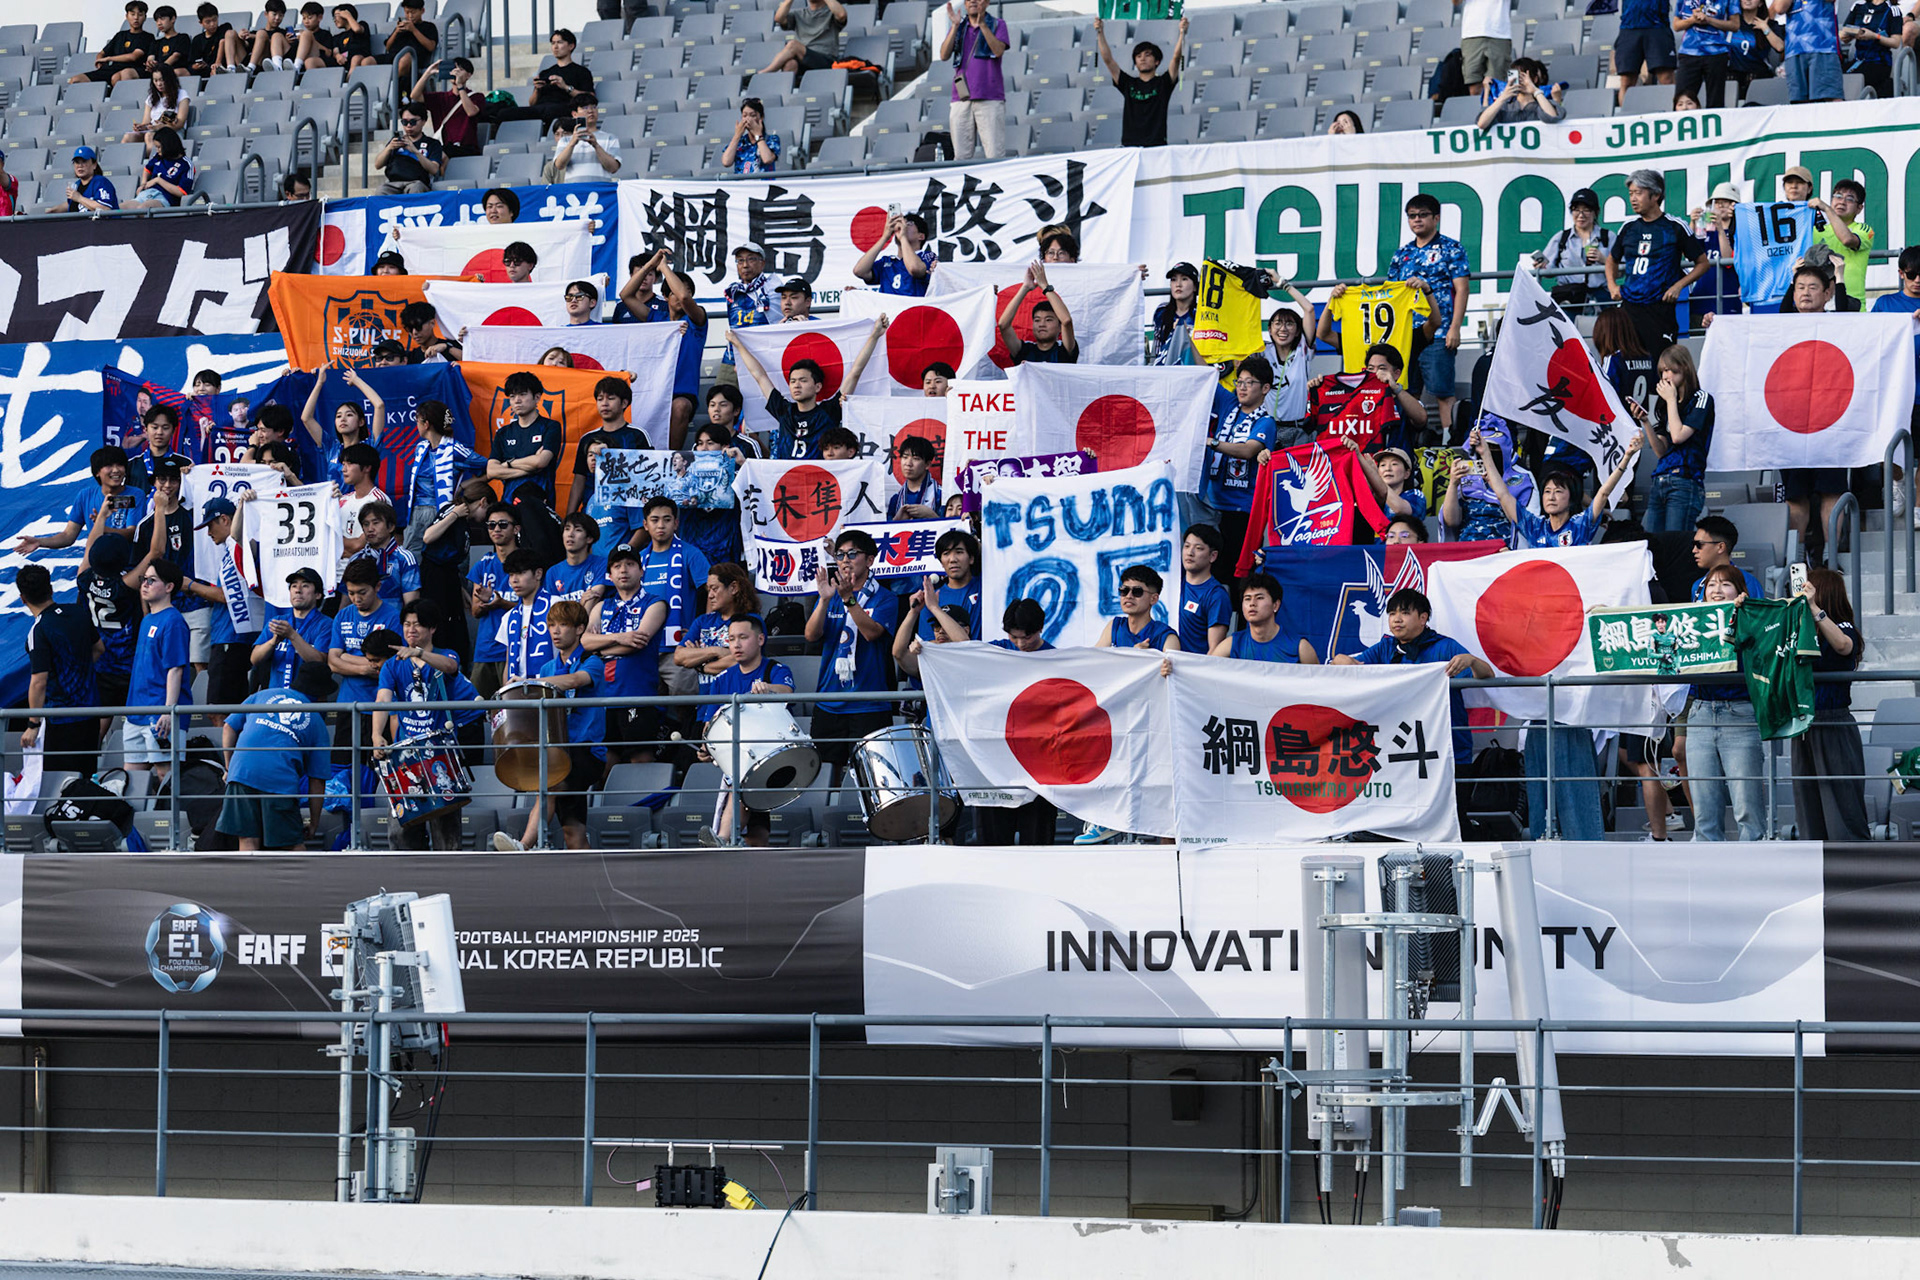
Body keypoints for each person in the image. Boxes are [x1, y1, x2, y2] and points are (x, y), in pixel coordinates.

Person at [1333, 587, 1492, 780]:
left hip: (1449, 750)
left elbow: (1487, 675)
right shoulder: (1386, 647)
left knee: (1456, 809)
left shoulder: (1445, 647)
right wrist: (1344, 661)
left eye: (1405, 613)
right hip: (1399, 753)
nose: (1397, 619)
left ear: (1423, 618)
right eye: (1392, 613)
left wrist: (1471, 660)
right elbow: (1346, 664)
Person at [492, 599, 606, 851]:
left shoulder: (592, 661)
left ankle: (524, 844)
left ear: (579, 629)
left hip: (586, 752)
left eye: (563, 625)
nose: (555, 631)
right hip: (557, 752)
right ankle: (592, 881)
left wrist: (532, 682)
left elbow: (576, 679)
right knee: (573, 833)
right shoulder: (547, 667)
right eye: (551, 625)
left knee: (549, 785)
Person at [371, 600, 483, 850]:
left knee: (447, 833)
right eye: (407, 624)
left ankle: (448, 881)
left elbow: (451, 667)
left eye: (418, 625)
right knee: (400, 832)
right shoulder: (392, 665)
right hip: (407, 755)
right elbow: (382, 699)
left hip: (441, 752)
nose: (411, 630)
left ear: (432, 629)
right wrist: (377, 735)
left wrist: (419, 653)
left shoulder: (446, 654)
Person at [805, 527, 900, 778]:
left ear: (870, 560)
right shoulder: (831, 594)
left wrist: (849, 600)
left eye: (852, 554)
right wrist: (825, 600)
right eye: (840, 555)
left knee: (872, 776)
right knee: (824, 775)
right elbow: (811, 635)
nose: (845, 560)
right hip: (829, 701)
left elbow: (871, 633)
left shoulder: (886, 598)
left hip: (869, 704)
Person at [693, 614, 795, 846]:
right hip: (741, 761)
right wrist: (705, 747)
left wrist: (768, 689)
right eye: (730, 639)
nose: (736, 644)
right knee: (760, 835)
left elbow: (788, 692)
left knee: (740, 781)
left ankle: (722, 838)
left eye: (743, 637)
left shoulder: (775, 670)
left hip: (775, 758)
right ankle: (728, 847)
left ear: (760, 639)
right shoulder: (721, 679)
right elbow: (709, 725)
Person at [1775, 260, 1853, 552]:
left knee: (1832, 489)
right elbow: (1782, 314)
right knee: (1796, 495)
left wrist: (1841, 275)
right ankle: (1796, 560)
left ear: (1827, 293)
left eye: (1813, 288)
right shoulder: (1781, 326)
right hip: (1791, 422)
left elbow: (1848, 318)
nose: (1805, 293)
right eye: (1800, 287)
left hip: (1831, 420)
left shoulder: (1838, 323)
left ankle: (1832, 557)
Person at [1684, 563, 1764, 840]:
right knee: (1704, 811)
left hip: (1740, 714)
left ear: (1740, 591)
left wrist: (1745, 613)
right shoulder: (1690, 623)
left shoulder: (1751, 618)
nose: (1717, 590)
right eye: (1711, 584)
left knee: (1747, 809)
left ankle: (1752, 874)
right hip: (1700, 712)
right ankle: (1708, 875)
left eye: (1725, 584)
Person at [1789, 567, 1869, 840]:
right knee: (1807, 802)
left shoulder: (1843, 627)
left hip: (1833, 721)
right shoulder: (1803, 629)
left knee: (1843, 803)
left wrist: (1814, 609)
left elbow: (1845, 646)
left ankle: (1854, 867)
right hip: (1803, 722)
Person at [730, 318, 883, 459]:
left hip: (819, 481)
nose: (796, 385)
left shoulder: (829, 411)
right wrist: (737, 343)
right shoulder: (783, 410)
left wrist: (874, 336)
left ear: (818, 386)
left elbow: (855, 372)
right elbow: (759, 375)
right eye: (792, 381)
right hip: (787, 479)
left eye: (803, 380)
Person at [1388, 193, 1472, 436]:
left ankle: (1449, 442)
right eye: (1412, 216)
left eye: (1423, 215)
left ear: (1436, 218)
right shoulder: (1401, 253)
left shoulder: (1452, 248)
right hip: (1406, 334)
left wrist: (1455, 327)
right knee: (1407, 390)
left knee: (1443, 391)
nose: (1417, 220)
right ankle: (1408, 440)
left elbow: (1462, 289)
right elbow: (1391, 294)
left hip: (1439, 330)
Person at [1606, 168, 1711, 358]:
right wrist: (1612, 286)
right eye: (1630, 194)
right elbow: (1611, 260)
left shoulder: (1675, 226)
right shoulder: (1628, 227)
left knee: (1662, 363)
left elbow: (1703, 263)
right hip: (1630, 308)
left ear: (1656, 195)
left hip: (1660, 308)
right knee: (1629, 363)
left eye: (1638, 193)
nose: (1633, 199)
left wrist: (1678, 286)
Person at [1480, 433, 1643, 548]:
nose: (1551, 497)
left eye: (1558, 491)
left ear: (1571, 498)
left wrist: (1627, 456)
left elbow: (1603, 493)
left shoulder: (1581, 524)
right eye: (1547, 491)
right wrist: (1485, 453)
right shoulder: (1534, 526)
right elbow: (1503, 495)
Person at [19, 564, 104, 782]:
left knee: (61, 783)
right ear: (51, 589)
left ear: (23, 599)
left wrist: (32, 725)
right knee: (86, 779)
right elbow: (99, 649)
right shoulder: (78, 613)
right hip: (90, 712)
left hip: (61, 719)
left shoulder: (38, 630)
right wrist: (77, 669)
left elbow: (39, 681)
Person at [218, 689, 330, 850]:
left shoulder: (263, 694)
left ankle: (249, 876)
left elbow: (228, 726)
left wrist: (229, 769)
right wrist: (314, 823)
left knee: (247, 839)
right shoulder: (317, 721)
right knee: (292, 845)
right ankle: (302, 876)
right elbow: (317, 780)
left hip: (241, 771)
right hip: (279, 779)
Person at [586, 545, 667, 763]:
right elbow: (584, 642)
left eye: (630, 564)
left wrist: (599, 646)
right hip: (603, 697)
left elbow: (638, 643)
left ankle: (644, 799)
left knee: (640, 760)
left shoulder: (655, 603)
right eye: (617, 565)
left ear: (642, 571)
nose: (623, 570)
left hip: (637, 695)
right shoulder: (601, 606)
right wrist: (619, 637)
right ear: (609, 575)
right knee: (606, 762)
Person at [126, 558, 194, 786]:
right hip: (136, 711)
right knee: (133, 779)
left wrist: (168, 710)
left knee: (167, 776)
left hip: (160, 713)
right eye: (144, 579)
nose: (145, 584)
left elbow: (175, 669)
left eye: (152, 580)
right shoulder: (148, 620)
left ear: (169, 587)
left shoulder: (174, 621)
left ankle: (171, 821)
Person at [1203, 357, 1280, 556]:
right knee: (1213, 567)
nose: (1242, 387)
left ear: (1265, 388)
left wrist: (1212, 442)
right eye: (1240, 382)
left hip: (1241, 509)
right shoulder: (1229, 404)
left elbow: (1247, 450)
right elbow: (1204, 373)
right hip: (1211, 504)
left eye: (1250, 382)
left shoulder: (1266, 422)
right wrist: (1185, 337)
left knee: (1236, 569)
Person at [326, 557, 401, 762]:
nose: (356, 598)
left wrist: (346, 657)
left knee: (379, 768)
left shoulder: (393, 617)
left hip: (381, 706)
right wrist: (364, 668)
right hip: (348, 705)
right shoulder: (342, 616)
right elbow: (332, 662)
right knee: (342, 768)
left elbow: (389, 665)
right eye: (351, 593)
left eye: (362, 592)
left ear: (377, 586)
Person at [637, 496, 711, 695]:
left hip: (678, 650)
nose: (661, 525)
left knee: (685, 708)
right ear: (645, 524)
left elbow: (712, 592)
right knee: (647, 710)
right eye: (655, 520)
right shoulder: (639, 559)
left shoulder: (691, 554)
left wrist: (700, 630)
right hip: (645, 650)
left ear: (676, 523)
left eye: (667, 519)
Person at [19, 446, 145, 555]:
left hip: (127, 567)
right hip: (96, 567)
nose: (116, 470)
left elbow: (132, 533)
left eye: (120, 465)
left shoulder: (135, 495)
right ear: (97, 472)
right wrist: (39, 542)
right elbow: (68, 536)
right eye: (109, 466)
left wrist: (101, 525)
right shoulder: (85, 496)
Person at [679, 563, 761, 716]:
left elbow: (739, 662)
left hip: (739, 709)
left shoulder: (751, 622)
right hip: (704, 708)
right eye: (708, 589)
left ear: (734, 588)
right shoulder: (702, 621)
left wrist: (700, 665)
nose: (710, 595)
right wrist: (715, 651)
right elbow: (679, 657)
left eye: (715, 588)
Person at [1094, 15, 1187, 148]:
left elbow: (1176, 58)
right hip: (1130, 147)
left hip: (1156, 146)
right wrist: (1100, 32)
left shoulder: (1164, 83)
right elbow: (1108, 60)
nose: (1142, 59)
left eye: (1147, 55)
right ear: (1135, 63)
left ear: (1157, 61)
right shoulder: (1128, 83)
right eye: (1138, 56)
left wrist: (1182, 33)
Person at [940, 0, 1011, 161]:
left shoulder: (998, 24)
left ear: (987, 2)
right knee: (961, 157)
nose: (972, 1)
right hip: (961, 99)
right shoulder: (960, 26)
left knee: (994, 155)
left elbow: (998, 51)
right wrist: (954, 26)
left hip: (990, 98)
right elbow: (944, 55)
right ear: (965, 4)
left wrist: (983, 26)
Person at [254, 565, 335, 700]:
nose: (298, 590)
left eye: (305, 586)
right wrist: (274, 641)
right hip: (275, 698)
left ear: (318, 594)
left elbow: (319, 661)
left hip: (309, 700)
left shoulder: (326, 624)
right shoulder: (277, 621)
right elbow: (254, 659)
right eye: (293, 586)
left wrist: (292, 635)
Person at [299, 364, 385, 490]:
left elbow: (379, 405)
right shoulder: (331, 447)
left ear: (361, 422)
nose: (342, 419)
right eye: (338, 416)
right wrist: (319, 383)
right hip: (335, 506)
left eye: (349, 415)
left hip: (362, 506)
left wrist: (357, 381)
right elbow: (306, 418)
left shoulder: (369, 446)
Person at [1441, 420, 1527, 545]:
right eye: (1485, 446)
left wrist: (1487, 456)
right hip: (1467, 549)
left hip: (1502, 551)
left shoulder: (1522, 479)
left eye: (1494, 447)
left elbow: (1523, 522)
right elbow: (1451, 521)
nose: (1489, 451)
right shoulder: (1466, 477)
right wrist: (1453, 484)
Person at [467, 501, 521, 696]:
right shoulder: (483, 565)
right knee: (474, 710)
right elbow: (475, 611)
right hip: (485, 649)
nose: (496, 529)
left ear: (516, 529)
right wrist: (488, 603)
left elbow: (534, 610)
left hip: (516, 650)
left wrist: (500, 603)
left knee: (514, 714)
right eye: (491, 525)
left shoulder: (528, 563)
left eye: (502, 524)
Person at [487, 371, 562, 507]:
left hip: (540, 504)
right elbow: (492, 471)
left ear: (537, 397)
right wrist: (529, 467)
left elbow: (541, 462)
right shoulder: (503, 433)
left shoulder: (551, 427)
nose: (517, 400)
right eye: (512, 396)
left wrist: (507, 464)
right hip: (509, 505)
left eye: (522, 394)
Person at [1213, 572, 1318, 663]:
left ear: (1275, 605)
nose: (1252, 604)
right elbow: (1207, 674)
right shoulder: (1232, 644)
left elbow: (1319, 682)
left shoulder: (1300, 648)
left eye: (1259, 598)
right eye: (1247, 599)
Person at [1533, 188, 1611, 308]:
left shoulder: (1608, 236)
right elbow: (1549, 270)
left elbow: (1621, 270)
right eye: (1576, 210)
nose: (1581, 215)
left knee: (1605, 326)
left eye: (1586, 210)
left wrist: (1604, 260)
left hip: (1600, 297)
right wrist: (1542, 267)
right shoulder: (1561, 237)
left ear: (1596, 212)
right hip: (1568, 296)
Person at [720, 242, 777, 384]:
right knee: (721, 401)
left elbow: (780, 326)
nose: (745, 265)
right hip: (732, 359)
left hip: (764, 361)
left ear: (762, 263)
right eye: (740, 260)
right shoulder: (732, 292)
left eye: (751, 259)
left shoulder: (773, 289)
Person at [999, 264, 1078, 365]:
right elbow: (1003, 325)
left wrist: (1045, 286)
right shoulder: (1024, 351)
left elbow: (1066, 321)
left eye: (1048, 319)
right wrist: (1025, 287)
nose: (1042, 324)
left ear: (1060, 328)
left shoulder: (1064, 351)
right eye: (1037, 320)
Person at [1811, 178, 1874, 304]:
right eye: (1838, 196)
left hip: (1852, 307)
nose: (1842, 202)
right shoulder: (1815, 230)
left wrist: (1828, 210)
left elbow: (1847, 240)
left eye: (1850, 199)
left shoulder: (1865, 230)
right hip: (1819, 307)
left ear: (1859, 208)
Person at [496, 550, 555, 683]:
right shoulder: (509, 617)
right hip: (518, 691)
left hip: (551, 687)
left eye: (521, 573)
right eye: (511, 575)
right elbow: (508, 662)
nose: (514, 580)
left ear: (538, 574)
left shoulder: (556, 605)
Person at [1262, 291, 1318, 431]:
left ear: (1298, 331)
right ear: (1269, 329)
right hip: (1268, 428)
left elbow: (1309, 309)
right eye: (1278, 323)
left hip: (1298, 429)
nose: (1283, 329)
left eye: (1289, 324)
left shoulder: (1302, 349)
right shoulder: (1262, 351)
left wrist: (1282, 284)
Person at [1095, 565, 1181, 653]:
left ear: (1153, 599)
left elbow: (1171, 666)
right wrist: (1133, 655)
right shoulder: (1114, 626)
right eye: (1124, 590)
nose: (1128, 596)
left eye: (1137, 592)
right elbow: (1094, 661)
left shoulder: (1167, 637)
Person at [409, 57, 481, 156]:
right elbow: (414, 96)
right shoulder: (440, 97)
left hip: (465, 148)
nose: (455, 73)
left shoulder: (476, 96)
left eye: (459, 70)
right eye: (453, 69)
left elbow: (471, 112)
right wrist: (428, 72)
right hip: (442, 146)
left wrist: (460, 86)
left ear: (468, 75)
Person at [852, 212, 936, 296]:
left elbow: (915, 269)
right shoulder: (887, 261)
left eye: (908, 223)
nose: (902, 226)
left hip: (913, 308)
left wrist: (903, 237)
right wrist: (885, 237)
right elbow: (859, 271)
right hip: (889, 309)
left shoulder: (927, 256)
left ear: (921, 236)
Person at [1178, 525, 1233, 652]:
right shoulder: (1173, 583)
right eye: (1186, 546)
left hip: (1193, 667)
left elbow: (1214, 650)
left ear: (1212, 556)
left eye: (1198, 548)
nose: (1190, 553)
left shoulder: (1216, 595)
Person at [1773, 0, 1842, 100]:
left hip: (1823, 47)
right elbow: (1780, 8)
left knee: (1828, 99)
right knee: (1798, 103)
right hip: (1794, 49)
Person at [1674, 0, 1739, 106]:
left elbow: (1735, 25)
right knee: (1683, 99)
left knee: (1716, 101)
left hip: (1717, 53)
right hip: (1689, 52)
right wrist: (1692, 20)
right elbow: (1676, 26)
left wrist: (1708, 20)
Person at [73, 1, 155, 84]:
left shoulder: (148, 37)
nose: (136, 18)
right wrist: (99, 60)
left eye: (140, 15)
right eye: (132, 14)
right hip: (112, 69)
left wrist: (109, 58)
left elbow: (133, 56)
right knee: (76, 80)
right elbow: (102, 53)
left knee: (118, 77)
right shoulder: (120, 35)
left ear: (145, 17)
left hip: (132, 68)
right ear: (126, 16)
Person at [1615, 0, 1678, 103]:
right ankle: (1626, 115)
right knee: (1626, 81)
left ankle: (1673, 114)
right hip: (1629, 26)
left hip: (1658, 26)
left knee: (1667, 79)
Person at [1691, 513, 1765, 599]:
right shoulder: (1697, 585)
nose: (1694, 550)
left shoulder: (1748, 581)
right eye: (1693, 544)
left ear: (1720, 547)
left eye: (1699, 544)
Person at [762, 0, 847, 74]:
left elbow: (842, 15)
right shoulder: (799, 14)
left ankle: (764, 73)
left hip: (825, 60)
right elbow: (779, 19)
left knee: (793, 45)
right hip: (804, 59)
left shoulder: (831, 12)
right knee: (790, 64)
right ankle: (784, 90)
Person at [374, 104, 443, 195]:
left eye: (413, 122)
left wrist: (415, 151)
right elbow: (377, 165)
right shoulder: (395, 142)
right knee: (381, 191)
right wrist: (389, 148)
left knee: (416, 188)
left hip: (417, 181)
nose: (409, 126)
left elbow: (434, 169)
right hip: (394, 182)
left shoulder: (432, 144)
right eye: (405, 122)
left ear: (423, 121)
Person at [549, 94, 620, 181]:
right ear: (574, 114)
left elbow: (613, 168)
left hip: (601, 190)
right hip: (574, 190)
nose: (590, 111)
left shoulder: (610, 138)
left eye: (594, 107)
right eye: (585, 108)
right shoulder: (565, 140)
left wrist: (596, 145)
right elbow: (559, 165)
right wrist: (572, 143)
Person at [1479, 56, 1563, 127]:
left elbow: (1552, 117)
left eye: (1523, 77)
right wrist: (1503, 96)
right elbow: (1482, 123)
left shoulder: (1541, 105)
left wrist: (1534, 90)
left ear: (1535, 79)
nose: (1519, 81)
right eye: (1516, 76)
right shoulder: (1505, 107)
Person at [1840, 0, 1899, 98]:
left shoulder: (1892, 10)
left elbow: (1896, 42)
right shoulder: (1858, 5)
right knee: (1833, 76)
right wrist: (1852, 33)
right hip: (1858, 60)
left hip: (1879, 62)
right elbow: (1844, 32)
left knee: (1856, 78)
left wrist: (1875, 36)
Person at [123, 62, 190, 145]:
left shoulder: (182, 94)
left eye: (162, 80)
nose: (159, 84)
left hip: (172, 131)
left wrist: (161, 127)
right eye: (156, 80)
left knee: (150, 135)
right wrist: (142, 127)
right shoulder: (151, 98)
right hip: (153, 130)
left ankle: (152, 156)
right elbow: (146, 122)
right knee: (128, 137)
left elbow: (180, 124)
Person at [1458, 0, 1514, 99]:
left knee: (1497, 86)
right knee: (1474, 86)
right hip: (1472, 32)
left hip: (1499, 33)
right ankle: (1480, 113)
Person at [1729, 0, 1787, 89]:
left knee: (1753, 77)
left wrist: (1765, 28)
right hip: (1734, 72)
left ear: (1760, 3)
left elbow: (1780, 47)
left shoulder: (1769, 24)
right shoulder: (1732, 23)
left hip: (1758, 73)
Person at [1151, 261, 1199, 366]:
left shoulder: (1200, 314)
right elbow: (1157, 348)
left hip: (1192, 368)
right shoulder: (1161, 312)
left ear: (1195, 286)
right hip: (1165, 369)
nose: (1178, 284)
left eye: (1184, 279)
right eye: (1173, 280)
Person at [380, 0, 437, 86]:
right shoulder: (402, 26)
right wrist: (396, 32)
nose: (410, 16)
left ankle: (390, 88)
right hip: (393, 56)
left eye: (413, 13)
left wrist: (413, 30)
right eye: (407, 12)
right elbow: (388, 47)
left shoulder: (429, 27)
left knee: (405, 59)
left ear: (422, 11)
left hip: (413, 59)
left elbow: (431, 46)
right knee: (367, 61)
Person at [720, 97, 781, 174]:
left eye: (752, 115)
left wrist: (758, 135)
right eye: (745, 116)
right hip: (742, 185)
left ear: (761, 117)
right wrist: (737, 135)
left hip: (762, 184)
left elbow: (767, 159)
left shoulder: (772, 139)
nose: (748, 119)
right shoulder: (740, 142)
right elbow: (726, 162)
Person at [889, 436, 943, 519]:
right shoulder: (896, 499)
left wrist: (932, 516)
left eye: (915, 458)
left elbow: (950, 527)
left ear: (927, 464)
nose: (908, 463)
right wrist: (897, 520)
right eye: (905, 457)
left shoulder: (940, 495)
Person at [53, 147, 119, 214]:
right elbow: (69, 204)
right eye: (77, 162)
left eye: (84, 161)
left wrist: (79, 198)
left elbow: (105, 209)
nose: (80, 165)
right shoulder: (76, 185)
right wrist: (51, 211)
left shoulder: (101, 182)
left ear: (94, 165)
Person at [186, 2, 229, 78]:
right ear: (201, 23)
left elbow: (223, 42)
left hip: (222, 68)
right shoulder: (197, 40)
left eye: (214, 20)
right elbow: (191, 63)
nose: (212, 24)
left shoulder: (224, 28)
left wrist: (217, 64)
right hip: (205, 71)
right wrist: (196, 66)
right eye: (208, 22)